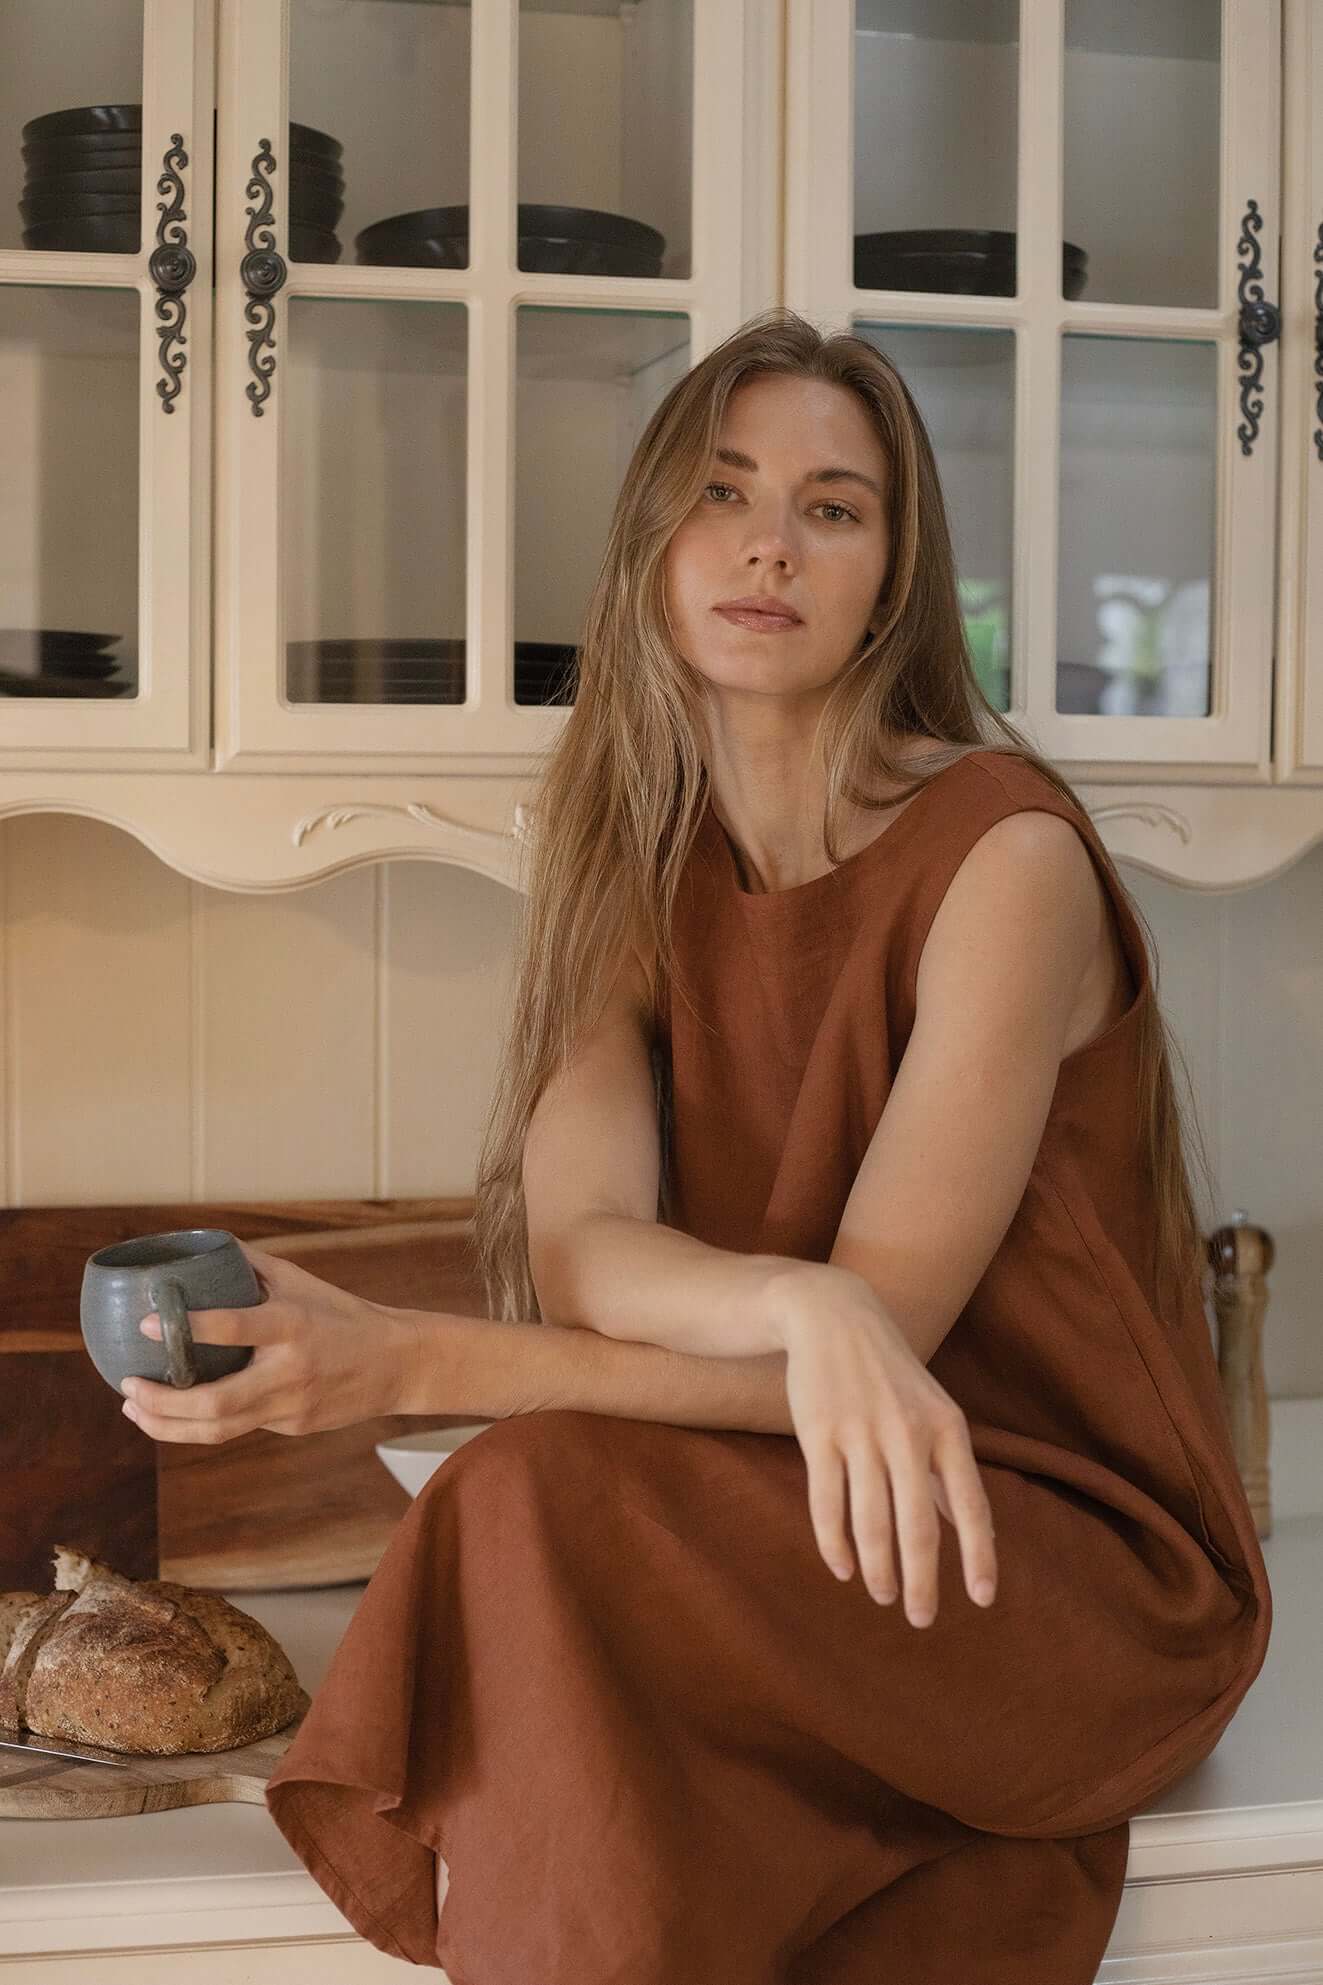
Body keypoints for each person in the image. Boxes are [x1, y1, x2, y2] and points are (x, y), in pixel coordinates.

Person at [120, 308, 1271, 1982]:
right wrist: (805, 1306)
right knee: (531, 1528)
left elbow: (877, 1370)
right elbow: (590, 1250)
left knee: (523, 1510)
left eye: (833, 505)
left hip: (1043, 1556)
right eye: (723, 492)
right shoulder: (626, 862)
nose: (768, 546)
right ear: (655, 544)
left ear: (893, 568)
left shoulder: (1003, 858)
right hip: (802, 1531)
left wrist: (405, 1362)